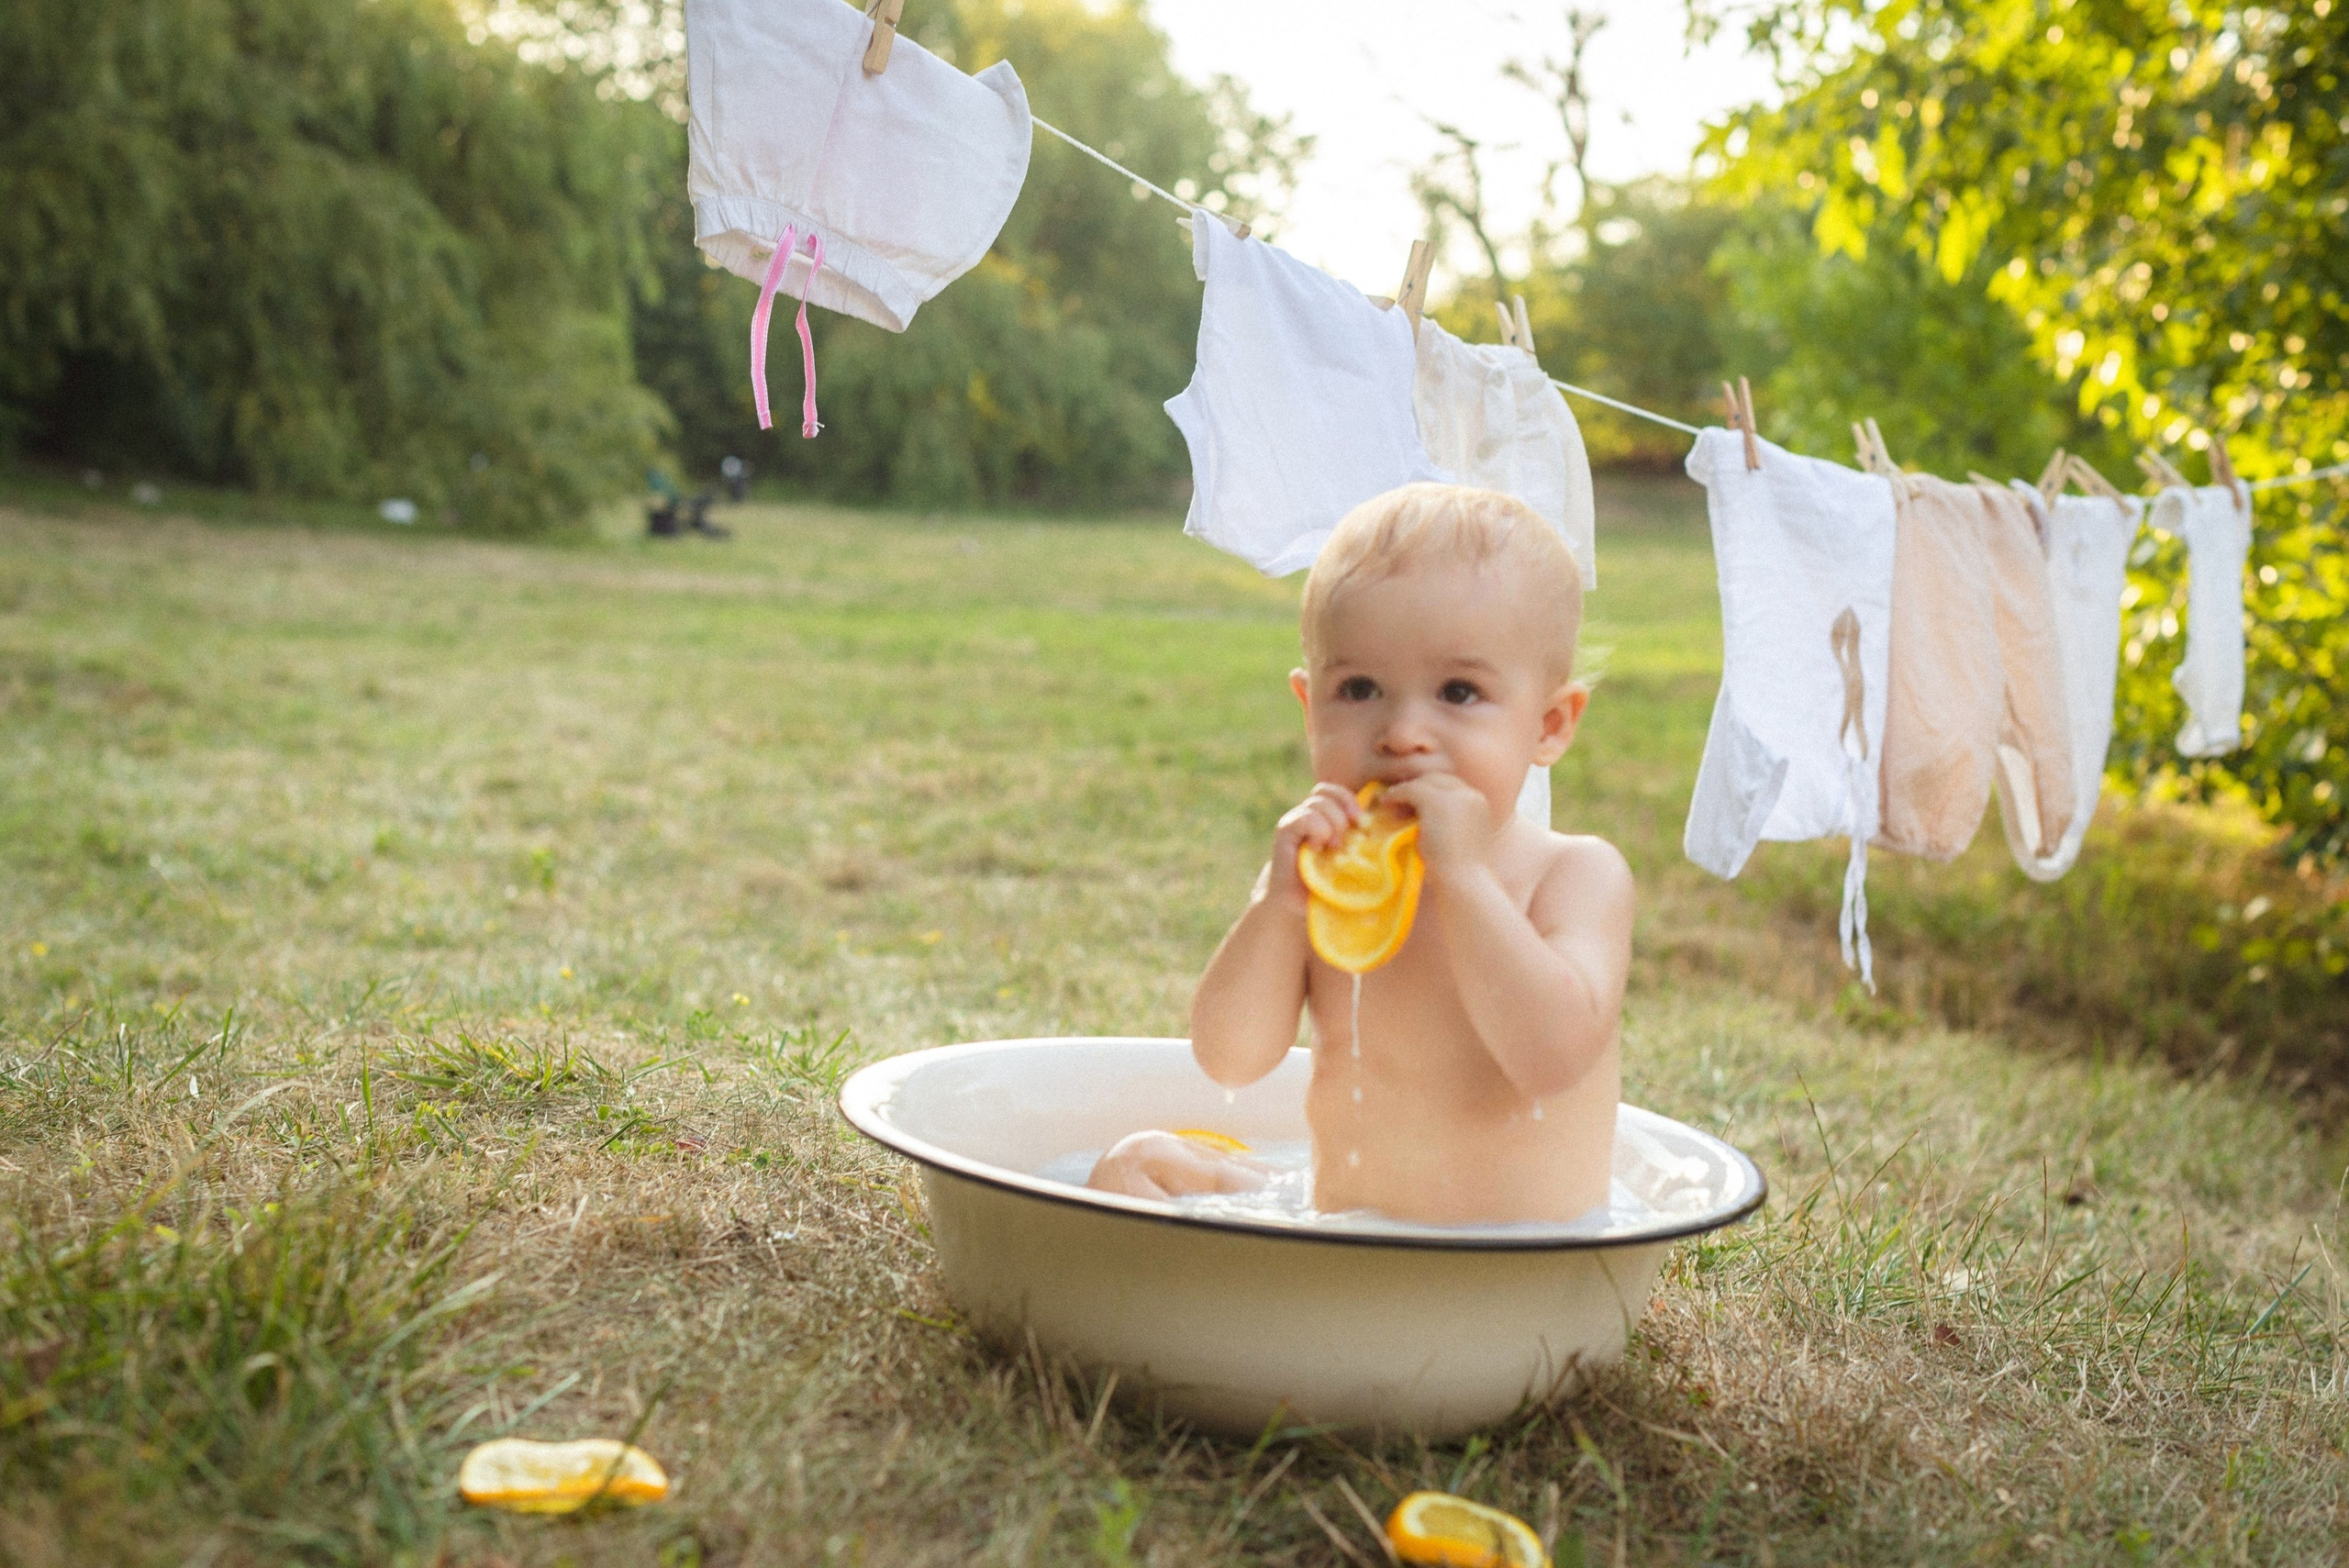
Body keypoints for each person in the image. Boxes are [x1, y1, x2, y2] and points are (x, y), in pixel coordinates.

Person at [1088, 484, 1632, 1224]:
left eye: (1460, 691)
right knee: (1129, 1167)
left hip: (1514, 1261)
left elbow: (1551, 1057)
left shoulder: (1574, 876)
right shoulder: (1331, 876)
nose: (1403, 731)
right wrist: (1276, 906)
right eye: (1362, 688)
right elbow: (1230, 1058)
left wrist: (1466, 878)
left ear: (1550, 725)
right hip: (1348, 1238)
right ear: (1311, 709)